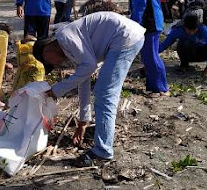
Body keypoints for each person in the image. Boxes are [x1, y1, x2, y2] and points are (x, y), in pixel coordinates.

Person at [32, 12, 145, 167]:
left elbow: (89, 67)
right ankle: (102, 146)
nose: (56, 66)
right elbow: (83, 80)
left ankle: (102, 152)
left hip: (124, 37)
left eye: (50, 63)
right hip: (125, 37)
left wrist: (56, 90)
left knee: (105, 94)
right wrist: (83, 121)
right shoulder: (70, 47)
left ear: (46, 50)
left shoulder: (66, 38)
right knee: (103, 92)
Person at [114, 0, 167, 95]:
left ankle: (161, 88)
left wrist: (134, 24)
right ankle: (153, 86)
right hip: (151, 18)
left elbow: (141, 1)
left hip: (149, 19)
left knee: (151, 55)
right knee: (147, 55)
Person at [159, 11, 207, 75]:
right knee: (184, 42)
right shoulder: (177, 30)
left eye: (194, 31)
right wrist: (153, 53)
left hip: (202, 52)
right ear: (184, 27)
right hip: (189, 53)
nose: (191, 33)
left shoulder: (202, 29)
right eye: (189, 31)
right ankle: (184, 65)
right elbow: (165, 44)